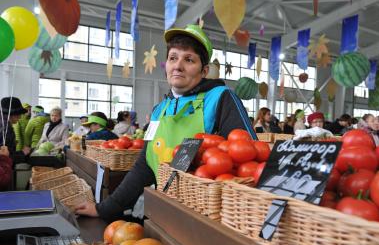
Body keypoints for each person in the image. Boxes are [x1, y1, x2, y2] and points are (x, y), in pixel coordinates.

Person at [75, 24, 255, 221]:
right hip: (164, 211)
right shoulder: (159, 111)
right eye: (173, 58)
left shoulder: (221, 98)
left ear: (204, 71)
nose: (178, 65)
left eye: (189, 59)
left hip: (208, 218)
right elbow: (145, 165)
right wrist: (105, 208)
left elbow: (249, 161)